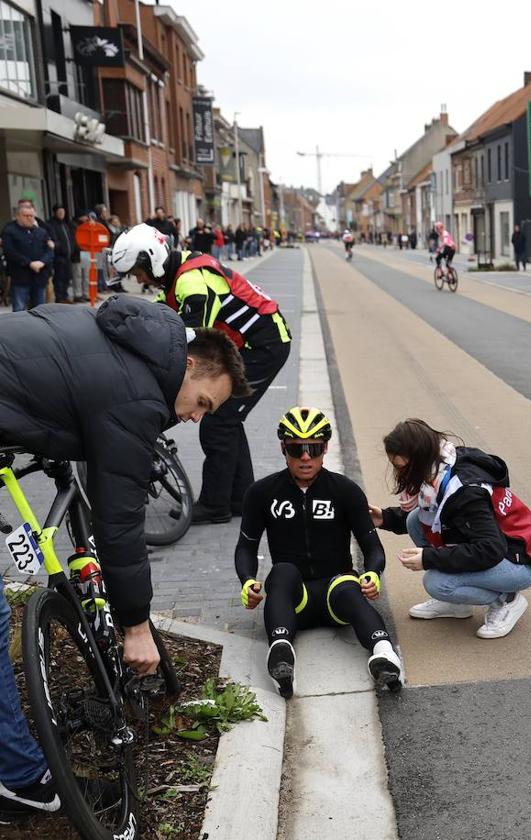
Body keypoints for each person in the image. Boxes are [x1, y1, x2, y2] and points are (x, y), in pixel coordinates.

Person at [0, 296, 248, 822]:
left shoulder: (127, 333)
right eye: (202, 403)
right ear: (189, 366)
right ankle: (18, 781)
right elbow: (119, 524)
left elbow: (55, 372)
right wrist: (135, 626)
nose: (192, 418)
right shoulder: (136, 397)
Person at [111, 223, 292, 524]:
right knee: (229, 420)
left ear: (152, 259)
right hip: (251, 345)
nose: (139, 279)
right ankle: (240, 499)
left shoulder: (192, 281)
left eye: (137, 272)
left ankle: (215, 504)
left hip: (264, 347)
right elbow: (156, 317)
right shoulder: (177, 277)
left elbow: (194, 341)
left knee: (219, 420)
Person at [236, 407, 404, 697]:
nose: (305, 457)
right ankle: (280, 655)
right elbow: (246, 547)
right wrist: (247, 580)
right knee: (282, 572)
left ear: (325, 448)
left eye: (313, 448)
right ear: (283, 448)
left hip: (334, 595)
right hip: (294, 598)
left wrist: (374, 574)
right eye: (296, 448)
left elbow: (372, 546)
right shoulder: (261, 493)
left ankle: (384, 655)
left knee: (349, 584)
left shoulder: (345, 491)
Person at [369, 418, 531, 639]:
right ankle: (457, 604)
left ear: (420, 460)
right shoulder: (442, 464)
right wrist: (384, 518)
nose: (399, 474)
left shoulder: (466, 493)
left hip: (519, 560)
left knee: (436, 582)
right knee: (415, 520)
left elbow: (490, 549)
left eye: (402, 468)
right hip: (502, 544)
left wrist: (429, 558)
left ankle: (507, 600)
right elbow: (438, 512)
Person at [2, 200, 52, 312]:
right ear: (18, 216)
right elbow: (9, 252)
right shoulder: (9, 231)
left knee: (40, 310)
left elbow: (49, 251)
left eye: (32, 216)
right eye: (26, 216)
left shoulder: (41, 232)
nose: (30, 218)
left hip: (39, 277)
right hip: (20, 277)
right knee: (20, 311)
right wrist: (29, 263)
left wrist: (42, 262)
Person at [46, 205, 75, 304]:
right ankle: (59, 297)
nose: (62, 214)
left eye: (63, 212)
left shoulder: (65, 224)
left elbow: (70, 239)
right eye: (59, 212)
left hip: (68, 256)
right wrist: (60, 247)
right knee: (59, 277)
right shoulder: (51, 224)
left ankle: (65, 295)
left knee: (67, 276)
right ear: (55, 213)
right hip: (58, 256)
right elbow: (53, 240)